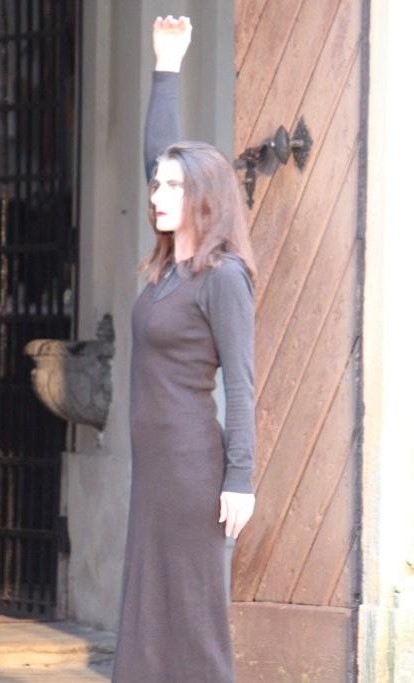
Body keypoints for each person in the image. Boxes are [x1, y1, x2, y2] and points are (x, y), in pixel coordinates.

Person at [112, 16, 257, 683]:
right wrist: (165, 69)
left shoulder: (222, 278)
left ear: (204, 199)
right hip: (155, 465)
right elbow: (157, 153)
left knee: (195, 620)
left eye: (174, 187)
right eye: (156, 185)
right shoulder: (170, 269)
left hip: (194, 466)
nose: (157, 193)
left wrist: (240, 477)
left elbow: (243, 383)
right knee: (148, 610)